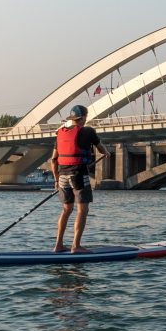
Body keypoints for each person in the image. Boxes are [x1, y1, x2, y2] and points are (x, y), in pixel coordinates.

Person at [49, 104, 110, 253]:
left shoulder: (61, 133)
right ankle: (76, 246)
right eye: (86, 117)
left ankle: (58, 245)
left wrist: (56, 180)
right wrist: (107, 153)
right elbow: (101, 149)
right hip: (78, 176)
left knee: (66, 209)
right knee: (82, 209)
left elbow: (53, 160)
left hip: (62, 176)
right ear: (82, 118)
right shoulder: (88, 131)